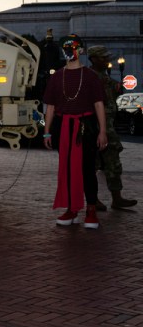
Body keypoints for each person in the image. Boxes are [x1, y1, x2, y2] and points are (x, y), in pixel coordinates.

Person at [42, 35, 107, 229]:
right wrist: (46, 132)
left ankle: (91, 209)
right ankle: (72, 209)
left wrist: (102, 131)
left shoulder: (90, 76)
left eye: (74, 47)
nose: (70, 51)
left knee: (87, 169)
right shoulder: (57, 77)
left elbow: (99, 104)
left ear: (82, 50)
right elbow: (51, 107)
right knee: (67, 169)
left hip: (86, 126)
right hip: (63, 127)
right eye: (66, 48)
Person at [87, 45, 137, 210]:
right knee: (91, 164)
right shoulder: (87, 77)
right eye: (103, 57)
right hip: (92, 127)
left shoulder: (106, 78)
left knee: (113, 162)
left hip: (108, 126)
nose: (107, 60)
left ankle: (117, 198)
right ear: (94, 59)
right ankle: (92, 201)